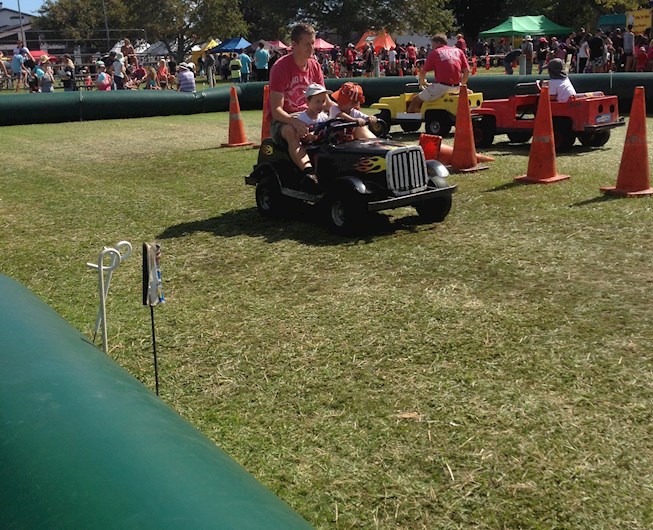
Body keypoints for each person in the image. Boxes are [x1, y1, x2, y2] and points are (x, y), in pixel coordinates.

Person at [268, 23, 332, 188]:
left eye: (313, 43)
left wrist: (344, 112)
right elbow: (276, 111)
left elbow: (325, 101)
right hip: (285, 120)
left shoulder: (315, 66)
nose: (311, 48)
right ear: (294, 45)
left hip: (311, 114)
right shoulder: (280, 67)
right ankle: (308, 173)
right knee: (291, 131)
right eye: (307, 44)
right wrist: (295, 122)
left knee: (339, 125)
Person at [407, 34, 469, 113]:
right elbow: (466, 70)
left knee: (415, 100)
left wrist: (422, 82)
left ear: (438, 43)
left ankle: (409, 119)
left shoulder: (435, 52)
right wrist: (462, 85)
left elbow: (423, 72)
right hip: (457, 87)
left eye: (433, 44)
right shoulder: (458, 51)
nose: (432, 46)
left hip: (441, 87)